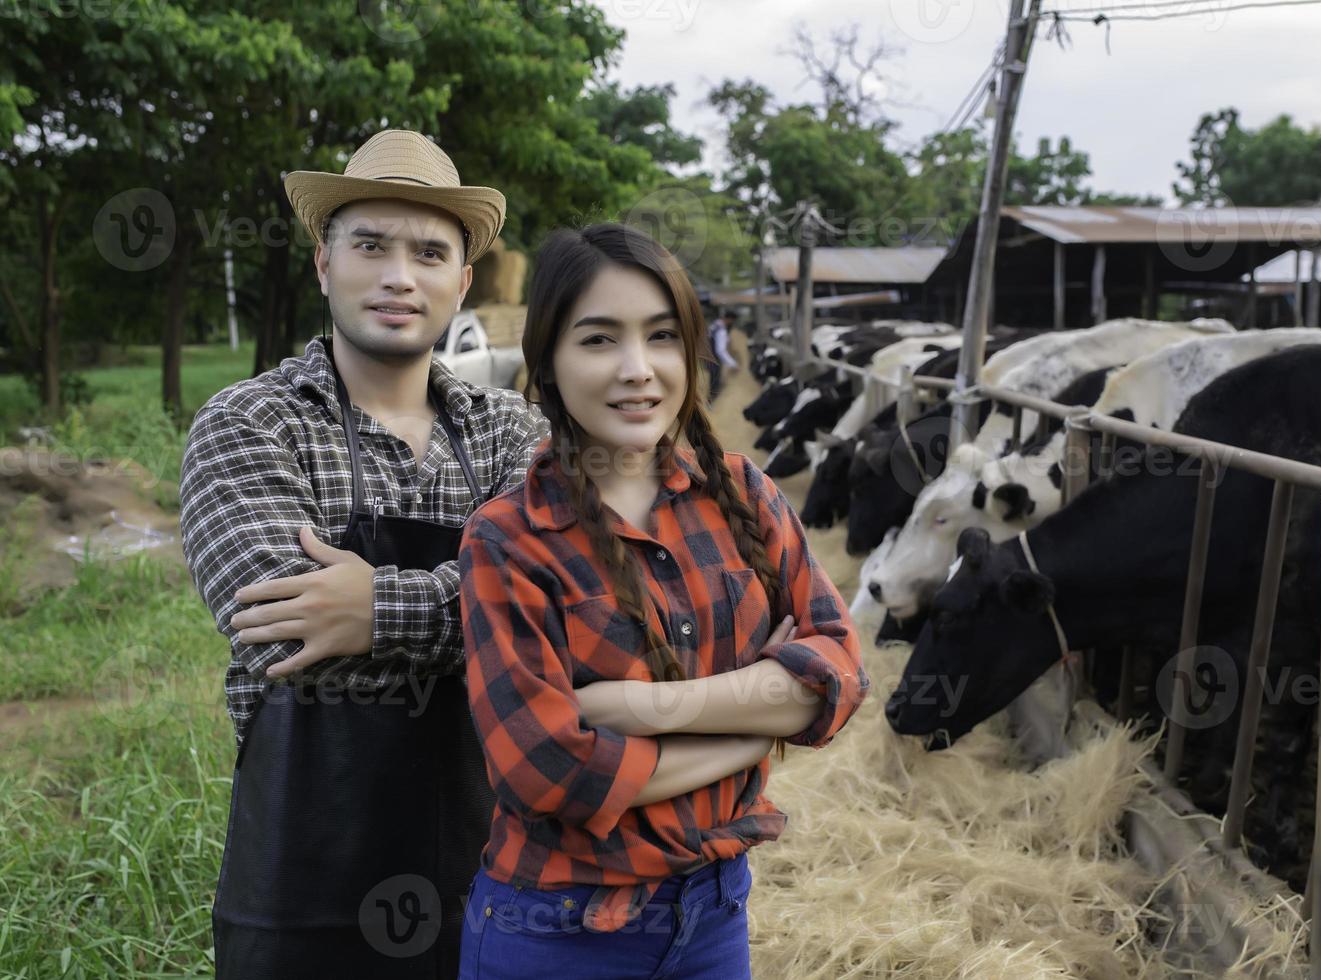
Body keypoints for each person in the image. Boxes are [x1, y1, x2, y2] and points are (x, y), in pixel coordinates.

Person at [179, 129, 549, 978]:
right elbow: (279, 632)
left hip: (500, 870)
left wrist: (374, 608)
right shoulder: (251, 424)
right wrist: (480, 607)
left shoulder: (511, 432)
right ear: (322, 262)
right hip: (301, 880)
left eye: (428, 253)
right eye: (370, 245)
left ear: (461, 282)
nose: (398, 276)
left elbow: (561, 611)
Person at [456, 223, 869, 979]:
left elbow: (838, 673)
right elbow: (544, 770)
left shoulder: (744, 495)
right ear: (546, 360)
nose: (637, 370)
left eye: (661, 336)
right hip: (556, 929)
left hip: (713, 916)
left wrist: (626, 709)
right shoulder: (509, 539)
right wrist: (751, 729)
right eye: (598, 340)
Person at [704, 309, 738, 401]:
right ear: (730, 319)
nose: (732, 323)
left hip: (707, 355)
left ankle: (711, 400)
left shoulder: (715, 324)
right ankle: (713, 403)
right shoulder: (721, 330)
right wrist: (732, 363)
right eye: (733, 321)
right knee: (715, 382)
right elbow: (720, 350)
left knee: (712, 380)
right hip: (714, 357)